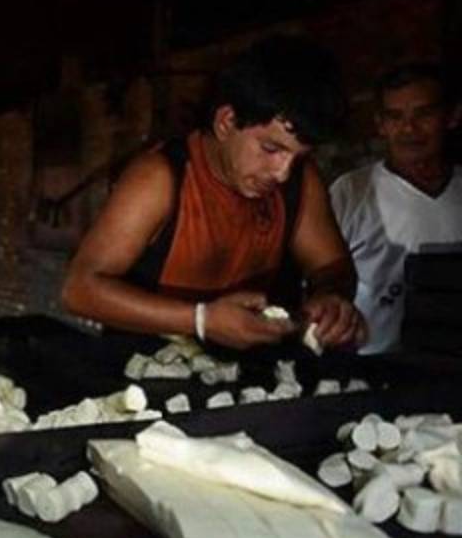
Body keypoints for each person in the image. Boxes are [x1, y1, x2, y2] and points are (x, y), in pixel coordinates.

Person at [61, 35, 367, 350]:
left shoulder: (300, 182)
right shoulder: (159, 178)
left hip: (256, 383)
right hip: (145, 375)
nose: (283, 172)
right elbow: (80, 289)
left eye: (298, 156)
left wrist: (331, 298)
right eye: (271, 148)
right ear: (226, 121)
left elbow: (332, 267)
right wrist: (201, 320)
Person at [330, 63, 462, 354]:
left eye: (424, 114)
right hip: (373, 371)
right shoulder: (352, 192)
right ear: (380, 124)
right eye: (394, 117)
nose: (408, 129)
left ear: (451, 116)